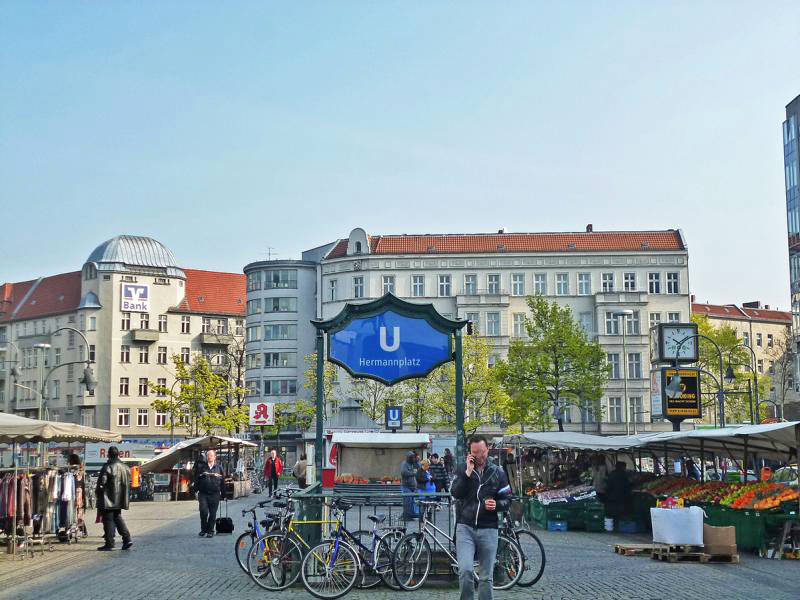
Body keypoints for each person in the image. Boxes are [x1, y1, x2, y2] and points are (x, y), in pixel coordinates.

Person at [451, 434, 512, 600]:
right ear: (469, 452)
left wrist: (497, 505)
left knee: (486, 577)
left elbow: (508, 500)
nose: (479, 456)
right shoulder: (462, 469)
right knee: (465, 570)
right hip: (465, 527)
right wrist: (467, 474)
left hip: (489, 528)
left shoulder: (498, 472)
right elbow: (455, 493)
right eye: (475, 452)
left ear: (488, 449)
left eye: (482, 452)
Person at [95, 446, 132, 551]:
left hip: (108, 499)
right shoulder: (125, 467)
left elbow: (102, 483)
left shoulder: (108, 466)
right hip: (120, 499)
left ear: (109, 454)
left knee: (108, 520)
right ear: (118, 454)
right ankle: (127, 539)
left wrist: (98, 493)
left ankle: (110, 543)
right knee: (117, 517)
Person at [195, 449, 225, 538]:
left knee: (212, 513)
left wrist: (224, 494)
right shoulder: (202, 467)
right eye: (208, 455)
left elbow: (223, 481)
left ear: (215, 457)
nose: (209, 457)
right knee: (203, 512)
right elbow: (196, 479)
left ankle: (210, 530)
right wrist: (195, 489)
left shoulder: (219, 467)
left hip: (215, 494)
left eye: (211, 455)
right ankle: (203, 529)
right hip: (203, 493)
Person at [605, 461, 632, 529]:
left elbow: (608, 484)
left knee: (613, 511)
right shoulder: (623, 474)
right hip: (621, 495)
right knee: (620, 511)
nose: (625, 468)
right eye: (624, 467)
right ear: (622, 467)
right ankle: (619, 525)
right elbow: (627, 485)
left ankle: (614, 524)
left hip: (611, 495)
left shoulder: (612, 473)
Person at [400, 451, 418, 520]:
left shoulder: (411, 464)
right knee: (407, 502)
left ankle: (410, 515)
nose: (414, 459)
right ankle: (406, 516)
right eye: (412, 458)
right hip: (406, 486)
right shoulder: (404, 464)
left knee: (411, 502)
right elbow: (403, 472)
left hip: (411, 487)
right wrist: (413, 473)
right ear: (409, 458)